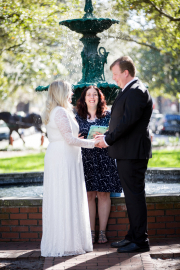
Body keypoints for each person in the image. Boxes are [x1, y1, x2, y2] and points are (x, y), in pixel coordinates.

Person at [95, 56, 153, 253]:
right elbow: (121, 121)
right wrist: (107, 134)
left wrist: (108, 139)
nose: (114, 79)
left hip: (133, 153)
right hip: (127, 152)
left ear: (126, 73)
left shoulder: (137, 91)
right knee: (131, 197)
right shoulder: (128, 90)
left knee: (135, 197)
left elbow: (127, 123)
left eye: (116, 75)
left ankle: (141, 241)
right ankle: (132, 236)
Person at [41, 80, 100, 257]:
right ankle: (65, 242)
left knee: (68, 196)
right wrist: (93, 143)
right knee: (64, 196)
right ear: (61, 93)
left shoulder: (61, 111)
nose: (71, 93)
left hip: (67, 156)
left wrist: (78, 138)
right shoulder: (59, 112)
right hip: (62, 158)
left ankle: (70, 240)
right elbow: (69, 139)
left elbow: (68, 136)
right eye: (69, 90)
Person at [75, 85, 122, 244]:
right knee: (88, 195)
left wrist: (106, 137)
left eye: (95, 94)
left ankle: (102, 231)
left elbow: (115, 134)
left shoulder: (108, 115)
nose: (92, 97)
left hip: (104, 158)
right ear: (84, 98)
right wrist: (77, 137)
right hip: (86, 159)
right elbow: (72, 137)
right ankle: (91, 232)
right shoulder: (77, 117)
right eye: (89, 94)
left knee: (103, 194)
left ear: (100, 98)